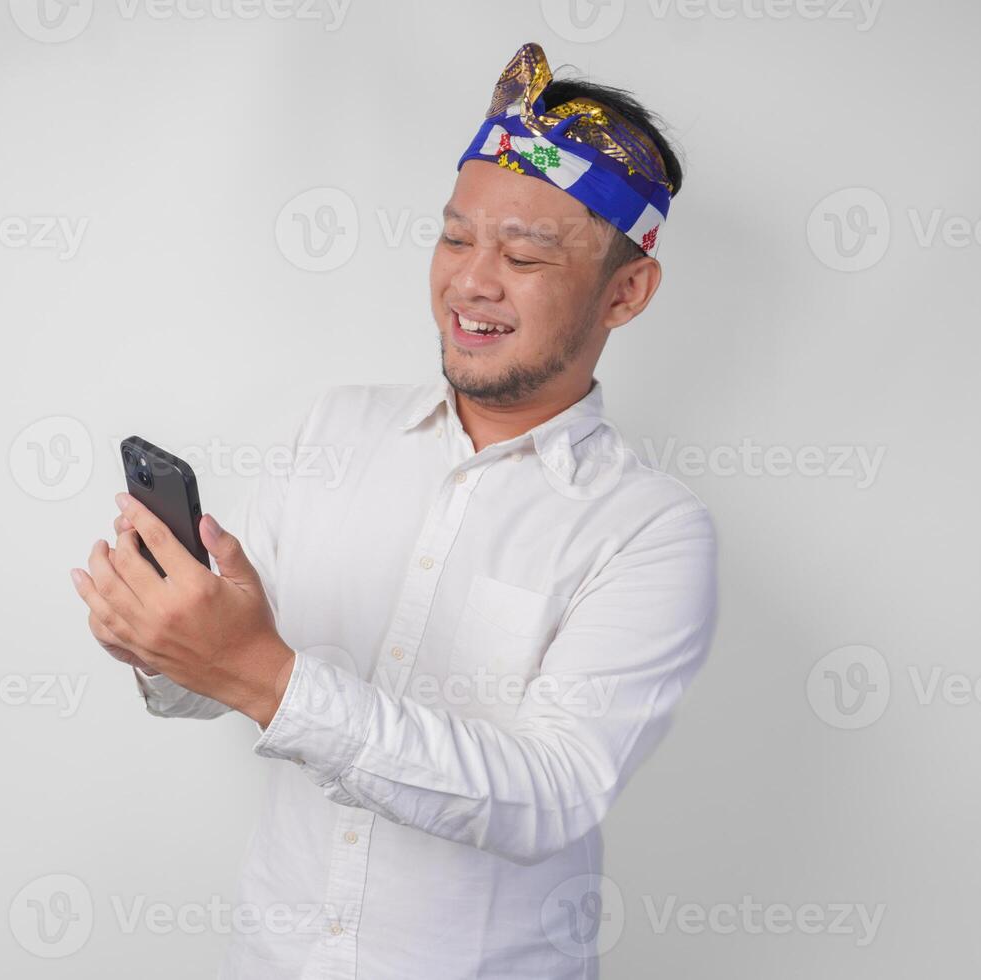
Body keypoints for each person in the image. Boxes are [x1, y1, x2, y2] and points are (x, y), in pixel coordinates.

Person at [70, 40, 717, 980]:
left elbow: (551, 796)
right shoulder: (336, 428)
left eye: (525, 253)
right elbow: (209, 679)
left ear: (626, 292)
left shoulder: (650, 532)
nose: (472, 280)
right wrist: (162, 640)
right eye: (456, 237)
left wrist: (263, 675)